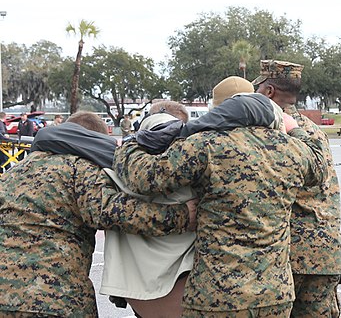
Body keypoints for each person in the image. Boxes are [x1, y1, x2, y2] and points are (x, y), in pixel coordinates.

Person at [114, 83, 325, 317]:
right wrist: (294, 129)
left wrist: (130, 145)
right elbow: (319, 166)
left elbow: (145, 177)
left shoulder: (206, 144)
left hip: (218, 296)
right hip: (275, 295)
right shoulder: (291, 150)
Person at [0, 111, 197, 317]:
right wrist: (182, 216)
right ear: (93, 140)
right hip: (54, 298)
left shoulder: (14, 172)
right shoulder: (80, 167)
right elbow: (110, 210)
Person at [253, 59, 341, 318]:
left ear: (268, 92)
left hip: (291, 256)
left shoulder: (273, 129)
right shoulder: (313, 130)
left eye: (257, 91)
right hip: (326, 254)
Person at [101, 101, 196, 318]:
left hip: (136, 288)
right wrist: (182, 215)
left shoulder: (116, 163)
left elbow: (104, 211)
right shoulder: (198, 160)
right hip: (188, 283)